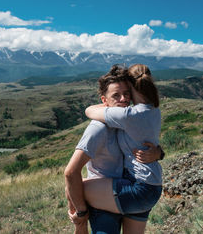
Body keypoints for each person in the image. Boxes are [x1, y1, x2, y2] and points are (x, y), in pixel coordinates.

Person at [64, 65, 163, 234]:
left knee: (72, 188)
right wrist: (80, 217)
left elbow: (90, 110)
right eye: (116, 95)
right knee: (71, 187)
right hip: (110, 196)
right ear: (104, 100)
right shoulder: (100, 128)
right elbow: (70, 173)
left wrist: (159, 152)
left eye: (126, 93)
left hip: (129, 187)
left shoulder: (126, 118)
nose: (123, 99)